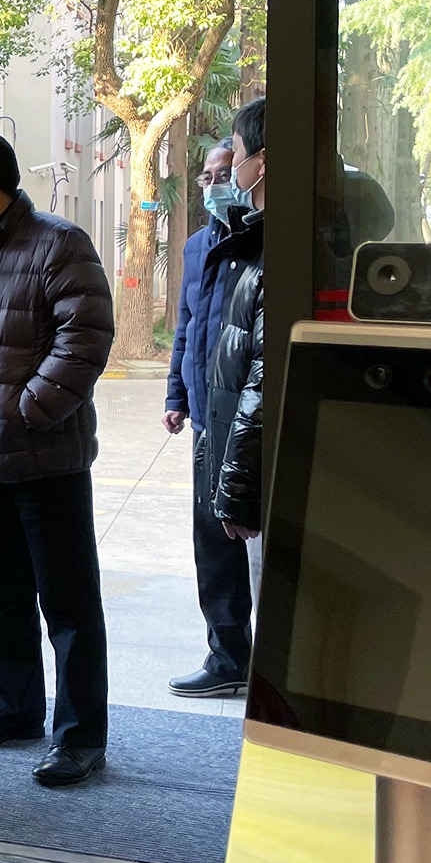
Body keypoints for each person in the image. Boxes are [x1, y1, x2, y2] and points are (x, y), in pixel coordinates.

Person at [0, 129, 116, 787]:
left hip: (46, 456)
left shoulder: (58, 243)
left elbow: (87, 335)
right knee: (4, 596)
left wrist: (30, 408)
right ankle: (14, 709)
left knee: (68, 603)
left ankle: (80, 736)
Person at [164, 140, 257, 698]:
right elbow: (187, 325)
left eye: (225, 174)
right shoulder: (199, 246)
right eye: (206, 177)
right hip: (205, 420)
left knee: (253, 540)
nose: (215, 184)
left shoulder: (263, 244)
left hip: (248, 417)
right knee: (214, 542)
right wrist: (176, 395)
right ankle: (227, 656)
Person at [206, 100, 266, 595]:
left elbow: (263, 382)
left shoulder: (276, 252)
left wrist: (239, 487)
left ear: (260, 163)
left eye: (239, 152)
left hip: (259, 476)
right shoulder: (252, 243)